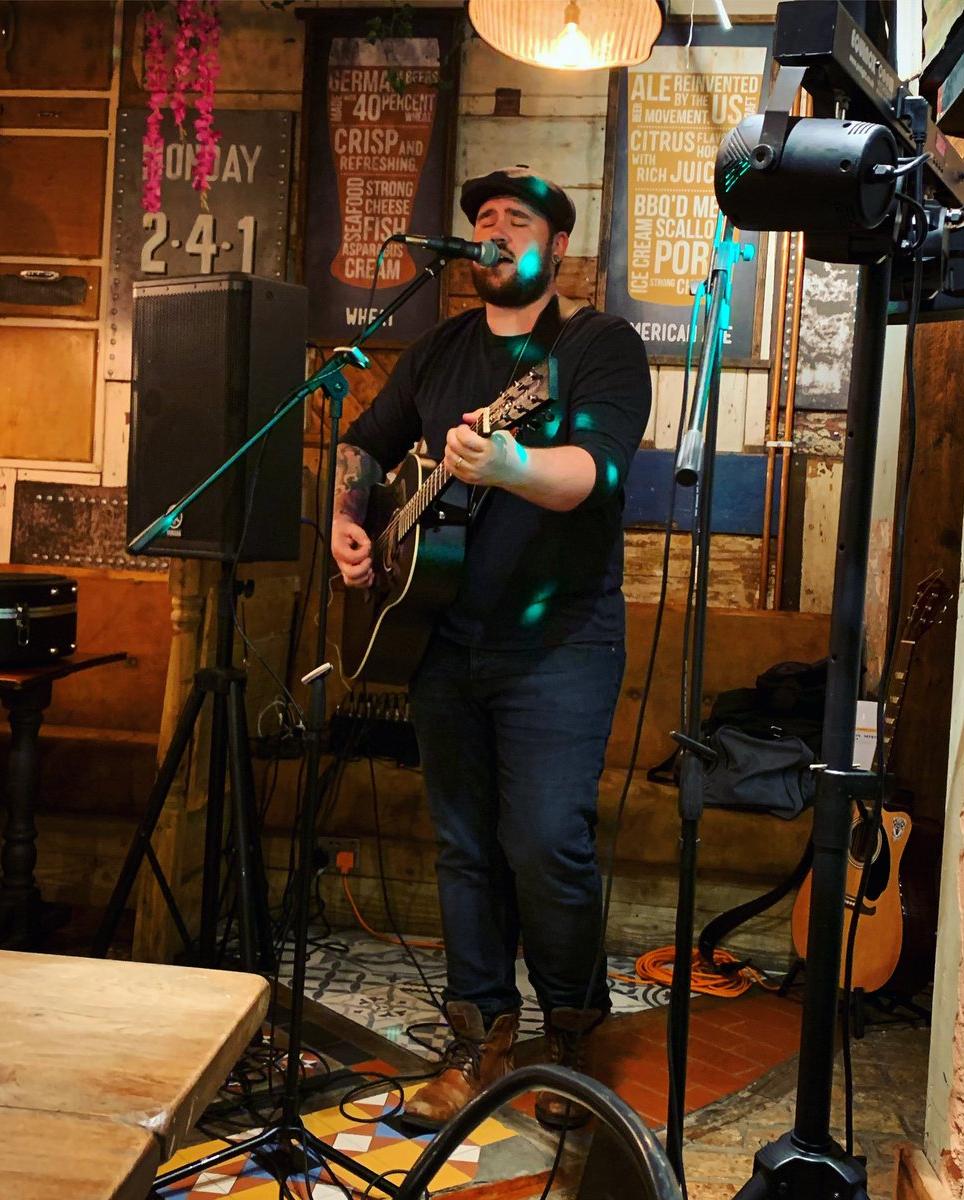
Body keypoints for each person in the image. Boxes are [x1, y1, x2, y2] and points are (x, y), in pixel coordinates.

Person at [330, 165, 652, 1131]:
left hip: (560, 640)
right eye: (482, 218)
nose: (494, 229)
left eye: (519, 219)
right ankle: (478, 1038)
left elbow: (591, 475)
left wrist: (510, 462)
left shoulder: (596, 347)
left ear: (558, 247)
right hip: (438, 639)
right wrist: (350, 519)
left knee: (547, 841)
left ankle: (568, 1038)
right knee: (464, 849)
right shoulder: (436, 353)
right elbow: (361, 444)